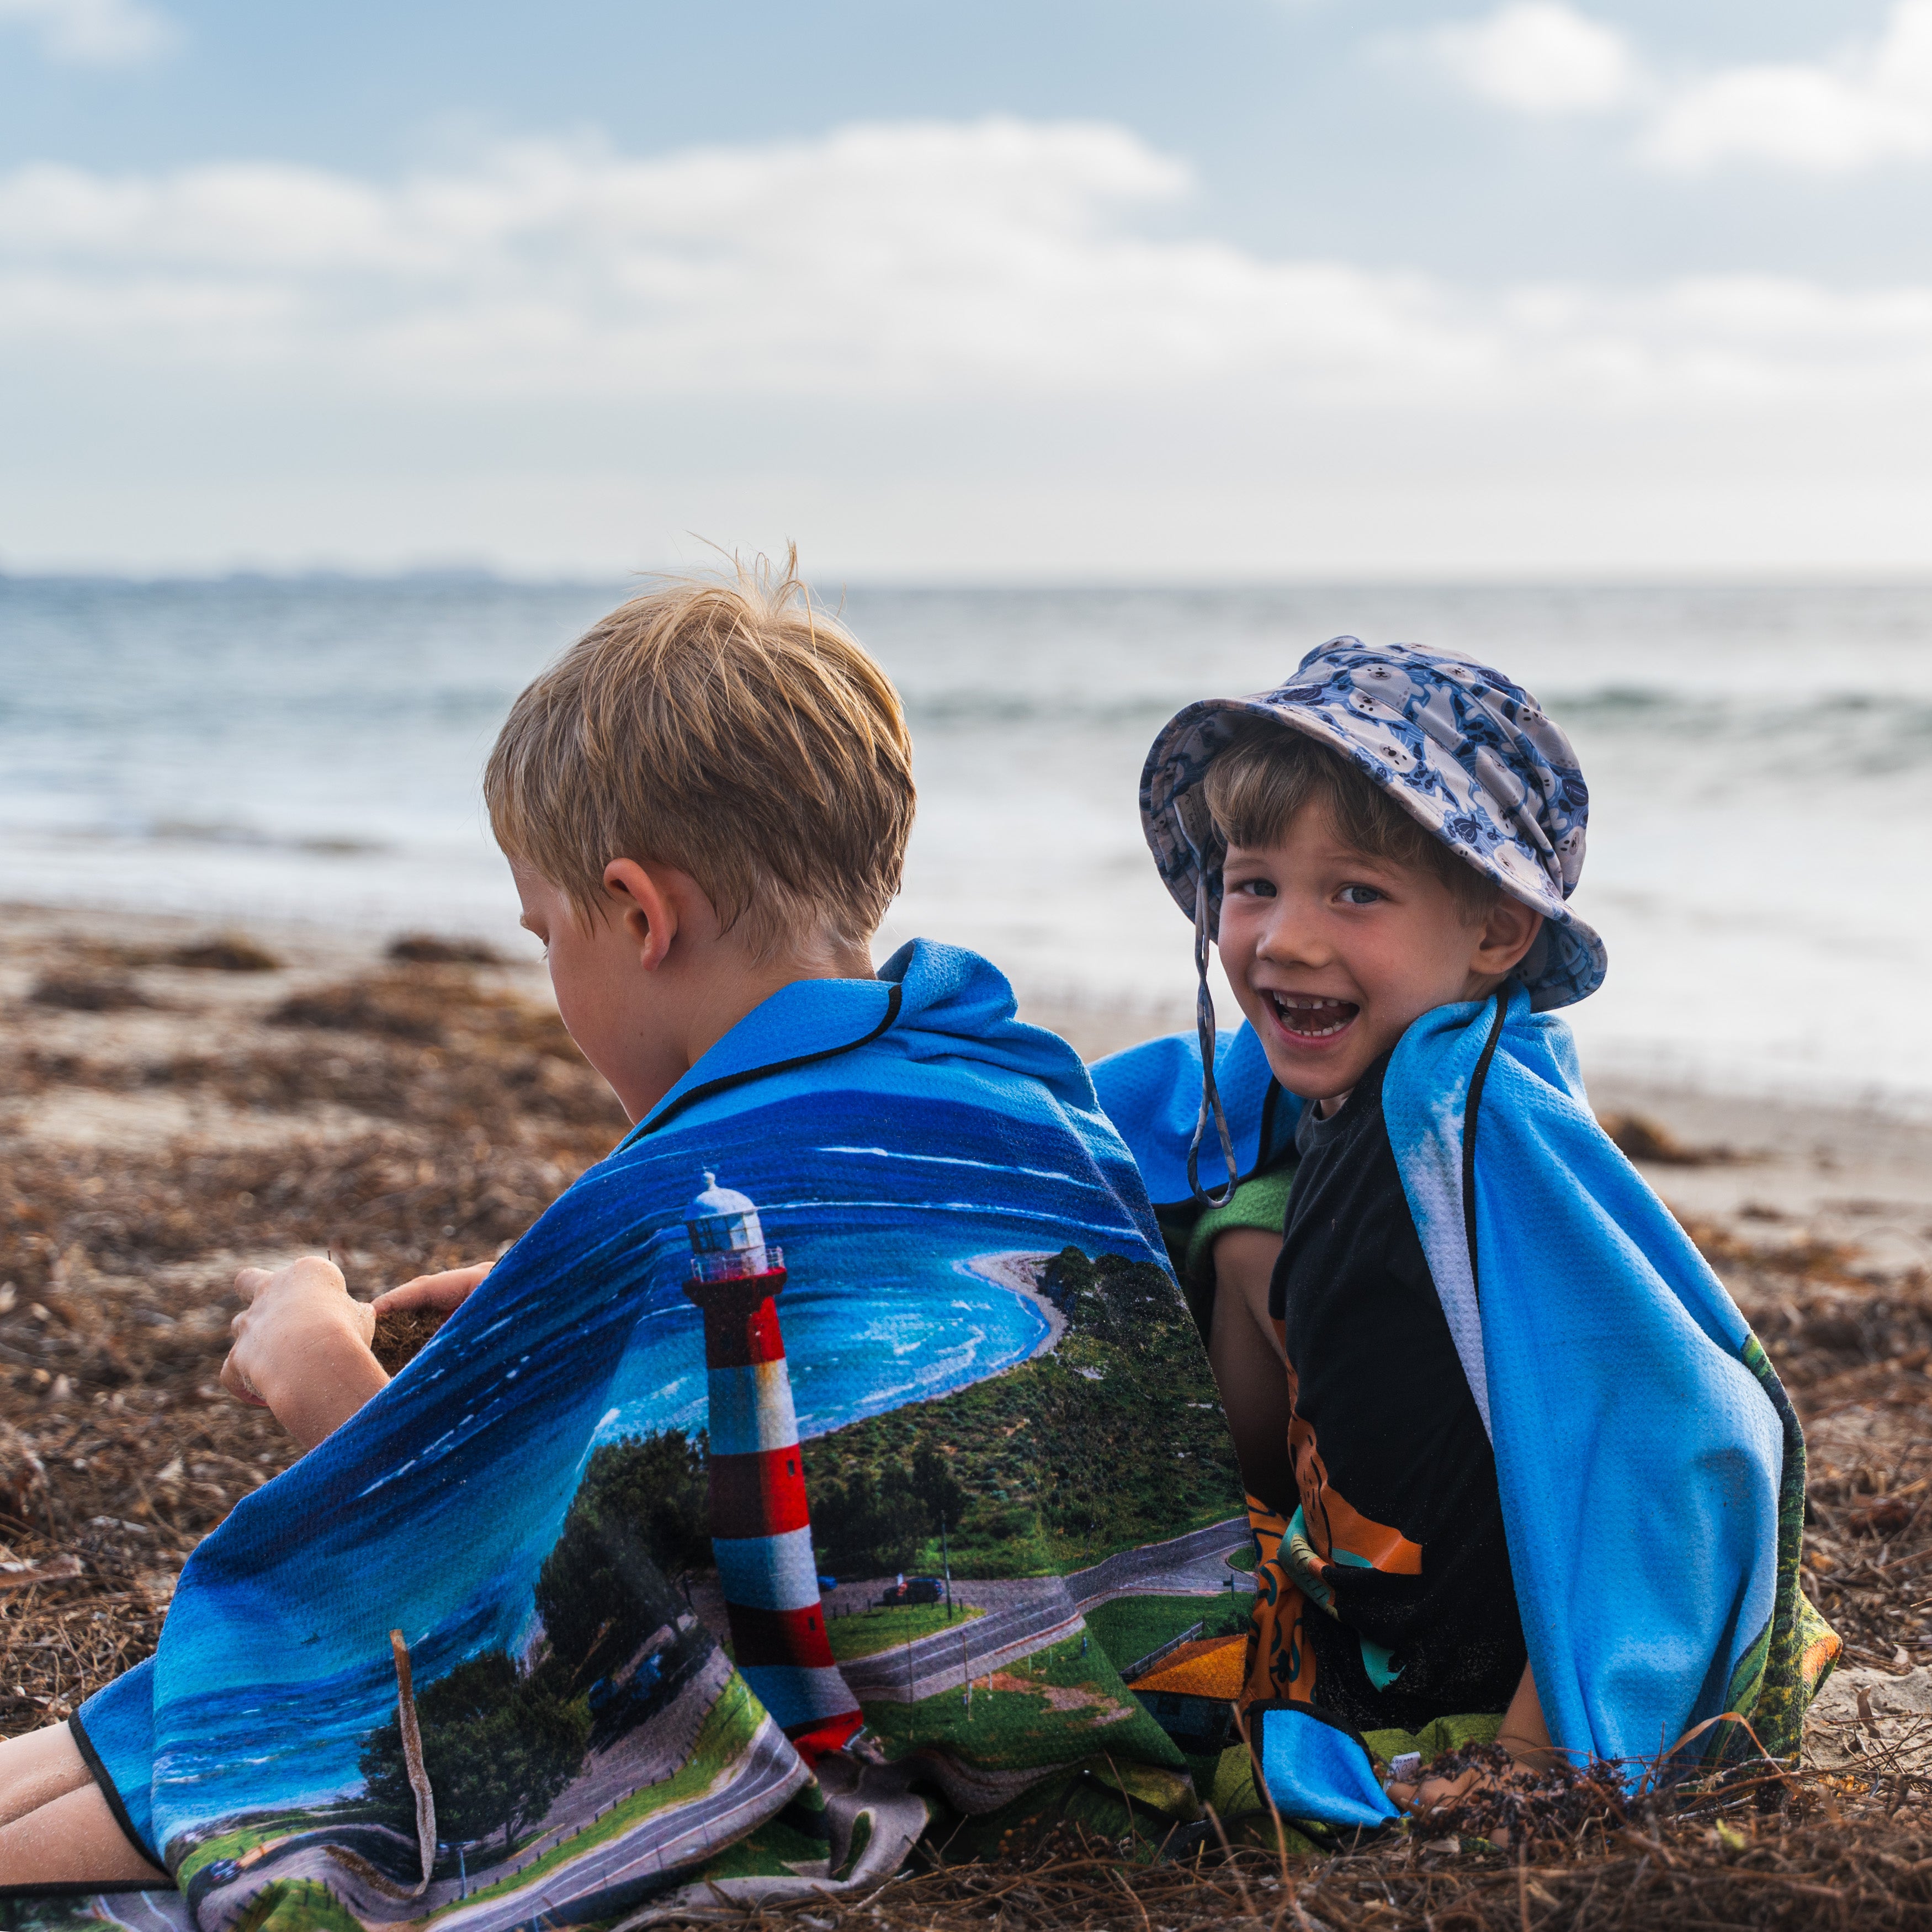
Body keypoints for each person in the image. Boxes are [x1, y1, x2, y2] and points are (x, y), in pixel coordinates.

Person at [0, 560, 1246, 1917]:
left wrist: (314, 1364)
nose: (549, 974)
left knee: (239, 1747)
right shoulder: (1029, 1093)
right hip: (1124, 1729)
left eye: (547, 933)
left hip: (804, 1766)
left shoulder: (673, 1208)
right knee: (136, 1727)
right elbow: (846, 1354)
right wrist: (567, 1337)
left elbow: (474, 1582)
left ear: (642, 915)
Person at [1092, 638, 1838, 1829]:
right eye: (1252, 883)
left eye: (1355, 893)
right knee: (1238, 1233)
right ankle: (1244, 1532)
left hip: (1482, 1654)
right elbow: (1168, 1115)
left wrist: (1536, 1756)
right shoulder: (1351, 1084)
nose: (1284, 939)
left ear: (1494, 934)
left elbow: (1680, 1429)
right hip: (1364, 1552)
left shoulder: (1477, 1120)